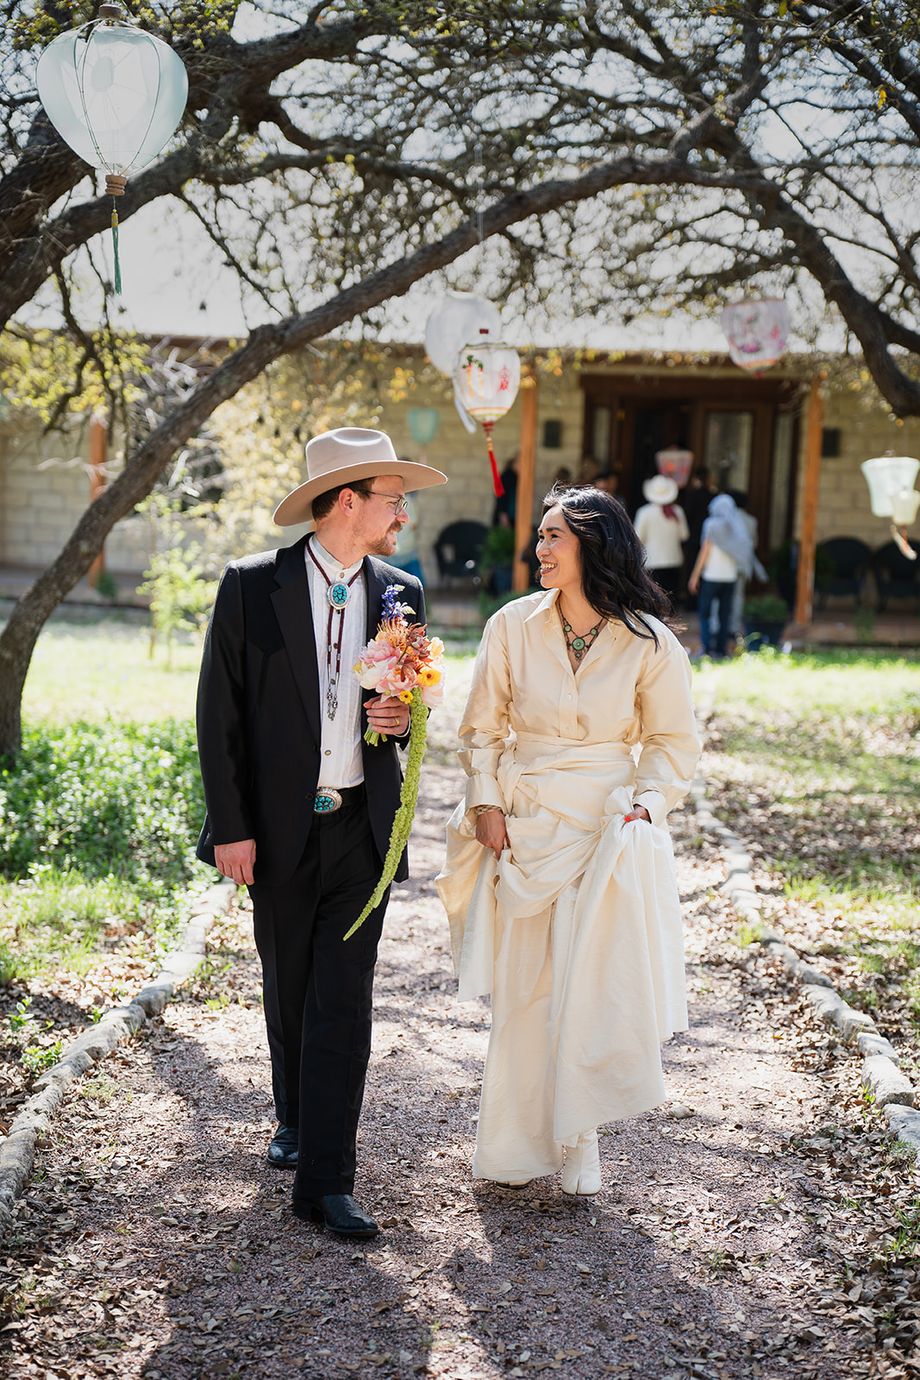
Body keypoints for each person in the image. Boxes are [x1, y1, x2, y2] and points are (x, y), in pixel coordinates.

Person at [196, 427, 447, 1239]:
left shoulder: (401, 591)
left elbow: (411, 709)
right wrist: (231, 828)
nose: (402, 513)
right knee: (289, 983)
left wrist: (399, 715)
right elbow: (218, 717)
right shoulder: (250, 587)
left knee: (345, 998)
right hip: (274, 829)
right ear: (350, 501)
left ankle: (329, 1181)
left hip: (361, 830)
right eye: (393, 498)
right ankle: (295, 1115)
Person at [437, 486, 700, 1196]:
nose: (539, 549)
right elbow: (482, 728)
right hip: (525, 822)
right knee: (526, 989)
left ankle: (579, 1142)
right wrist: (485, 801)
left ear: (594, 546)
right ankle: (514, 1148)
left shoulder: (648, 641)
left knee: (590, 987)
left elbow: (674, 743)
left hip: (606, 829)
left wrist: (647, 807)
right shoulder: (511, 626)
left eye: (554, 537)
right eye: (541, 536)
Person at [688, 492, 765, 658]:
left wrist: (695, 575)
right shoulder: (739, 525)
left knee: (705, 614)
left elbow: (704, 551)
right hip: (730, 577)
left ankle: (707, 648)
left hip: (711, 576)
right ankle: (722, 650)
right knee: (725, 615)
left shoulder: (711, 525)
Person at [634, 475, 690, 599]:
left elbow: (638, 538)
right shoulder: (677, 511)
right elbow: (684, 535)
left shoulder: (644, 512)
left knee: (654, 598)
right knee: (671, 598)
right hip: (674, 559)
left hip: (652, 561)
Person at [492, 453, 519, 528]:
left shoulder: (518, 478)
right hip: (505, 516)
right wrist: (503, 515)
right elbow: (501, 497)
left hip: (514, 517)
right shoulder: (506, 477)